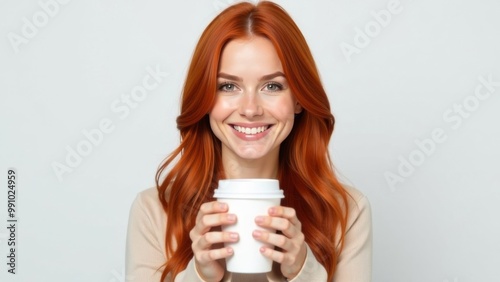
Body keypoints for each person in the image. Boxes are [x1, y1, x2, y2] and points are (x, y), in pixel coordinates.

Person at [126, 1, 372, 281]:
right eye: (228, 86)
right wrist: (200, 275)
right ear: (205, 99)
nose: (251, 109)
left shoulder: (346, 212)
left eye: (272, 86)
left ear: (299, 99)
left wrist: (304, 271)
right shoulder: (155, 211)